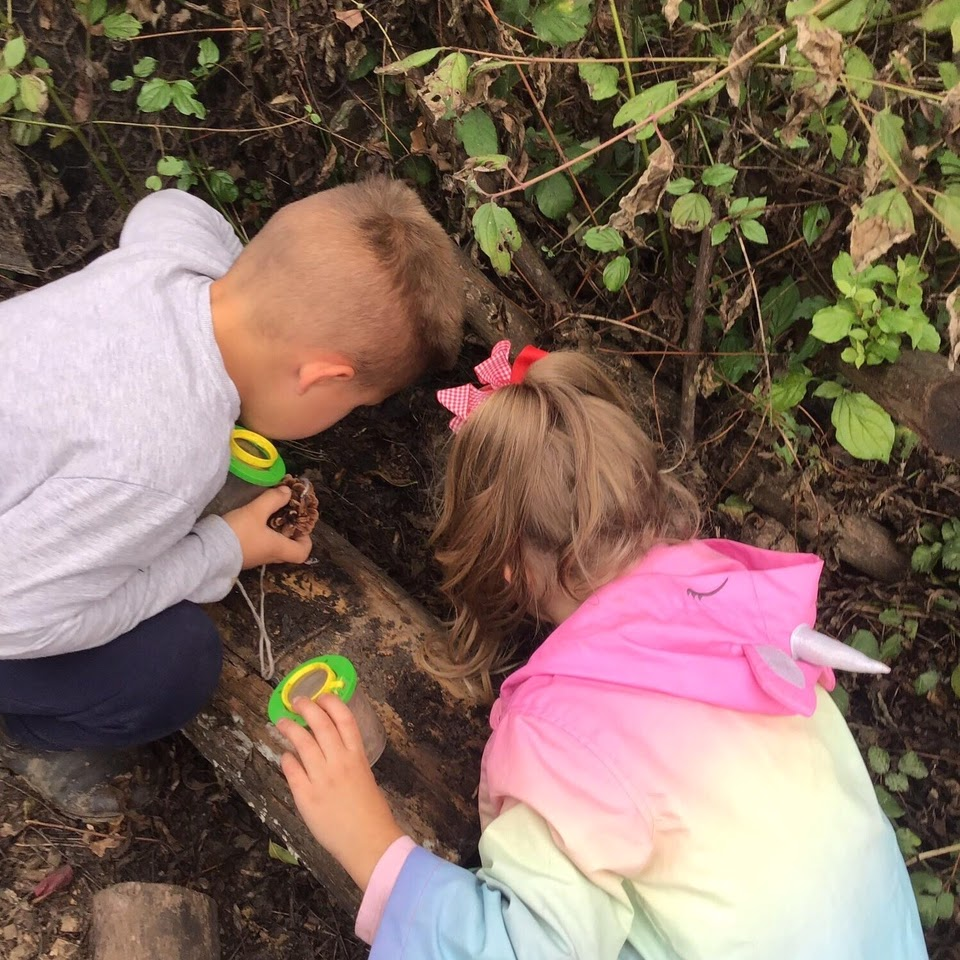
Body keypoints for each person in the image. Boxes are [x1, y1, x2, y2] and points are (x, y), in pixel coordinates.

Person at [276, 342, 928, 959]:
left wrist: (372, 848)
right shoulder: (743, 610)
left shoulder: (560, 733)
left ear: (501, 564)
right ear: (641, 489)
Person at [0, 177, 465, 821]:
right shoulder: (162, 463)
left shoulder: (174, 261)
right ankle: (31, 731)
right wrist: (221, 549)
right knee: (176, 663)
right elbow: (19, 621)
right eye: (354, 405)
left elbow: (169, 205)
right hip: (13, 611)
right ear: (321, 378)